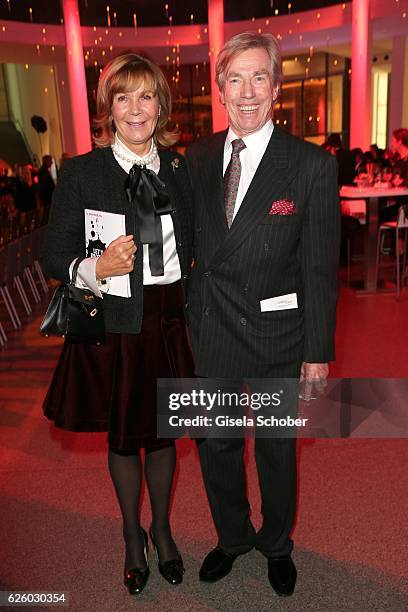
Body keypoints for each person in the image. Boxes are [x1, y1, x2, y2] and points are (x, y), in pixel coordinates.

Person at [185, 32, 340, 597]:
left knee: (276, 450)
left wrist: (318, 353)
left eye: (258, 78)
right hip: (211, 332)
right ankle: (232, 537)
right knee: (218, 446)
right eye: (234, 79)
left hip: (279, 334)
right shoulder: (199, 157)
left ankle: (276, 543)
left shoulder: (311, 166)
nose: (246, 91)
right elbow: (180, 241)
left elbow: (321, 270)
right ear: (220, 89)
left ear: (276, 88)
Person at [41, 53, 194, 596]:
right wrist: (93, 267)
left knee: (164, 433)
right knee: (127, 435)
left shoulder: (178, 168)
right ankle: (133, 534)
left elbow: (198, 244)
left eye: (146, 96)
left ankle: (164, 528)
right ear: (108, 108)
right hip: (116, 323)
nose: (135, 109)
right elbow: (53, 254)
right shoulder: (83, 171)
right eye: (123, 97)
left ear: (161, 106)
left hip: (170, 320)